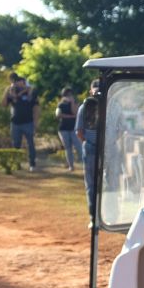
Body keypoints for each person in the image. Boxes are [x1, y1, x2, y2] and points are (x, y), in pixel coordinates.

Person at [3, 72, 39, 171]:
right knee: (16, 144)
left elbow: (36, 107)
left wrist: (36, 121)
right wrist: (7, 91)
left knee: (30, 144)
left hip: (28, 122)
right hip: (15, 123)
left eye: (21, 82)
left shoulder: (31, 92)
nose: (19, 84)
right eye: (17, 82)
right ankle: (17, 164)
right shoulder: (12, 92)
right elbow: (4, 104)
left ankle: (32, 164)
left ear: (24, 82)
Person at [75, 85, 100, 221]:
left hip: (96, 147)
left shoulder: (84, 107)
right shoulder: (85, 107)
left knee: (94, 184)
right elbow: (79, 131)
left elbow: (79, 132)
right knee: (97, 183)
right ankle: (96, 215)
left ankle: (96, 216)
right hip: (96, 148)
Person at [55, 87, 83, 171]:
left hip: (74, 128)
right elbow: (58, 115)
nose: (68, 96)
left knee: (78, 146)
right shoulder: (60, 104)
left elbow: (75, 113)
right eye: (67, 95)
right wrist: (70, 116)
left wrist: (71, 103)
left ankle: (83, 163)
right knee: (68, 148)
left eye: (70, 94)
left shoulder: (76, 103)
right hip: (63, 128)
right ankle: (71, 166)